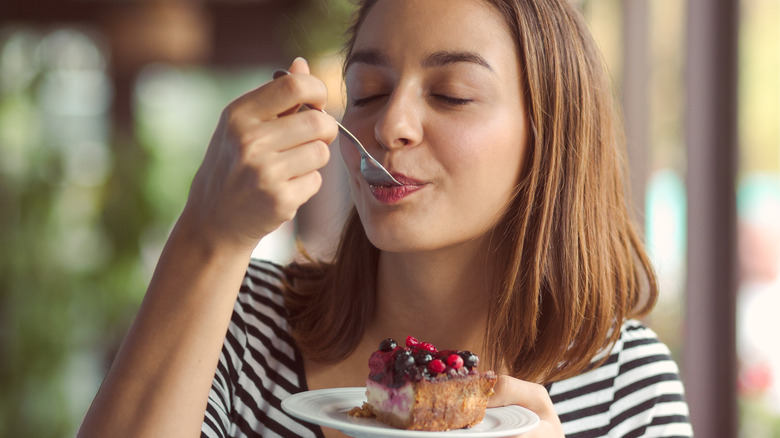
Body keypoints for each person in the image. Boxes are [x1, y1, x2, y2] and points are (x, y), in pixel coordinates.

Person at [78, 0, 694, 437]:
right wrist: (208, 236)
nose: (388, 125)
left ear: (550, 134)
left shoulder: (625, 384)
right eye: (368, 91)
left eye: (451, 93)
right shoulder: (242, 323)